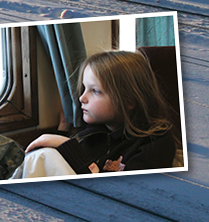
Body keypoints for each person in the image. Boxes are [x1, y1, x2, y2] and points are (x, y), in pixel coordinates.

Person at [19, 50, 175, 177]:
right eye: (84, 88)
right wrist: (62, 129)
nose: (82, 98)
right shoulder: (93, 132)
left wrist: (66, 146)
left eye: (95, 91)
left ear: (128, 101)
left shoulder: (155, 143)